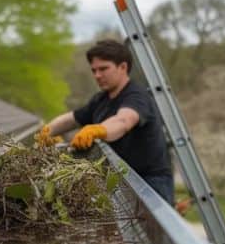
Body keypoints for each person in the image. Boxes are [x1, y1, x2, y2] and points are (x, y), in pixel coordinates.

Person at [38, 39, 174, 204]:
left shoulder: (137, 96)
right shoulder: (101, 100)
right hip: (124, 181)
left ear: (123, 67)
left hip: (151, 184)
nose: (97, 75)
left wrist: (98, 130)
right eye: (94, 70)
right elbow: (72, 119)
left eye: (103, 69)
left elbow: (123, 120)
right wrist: (47, 131)